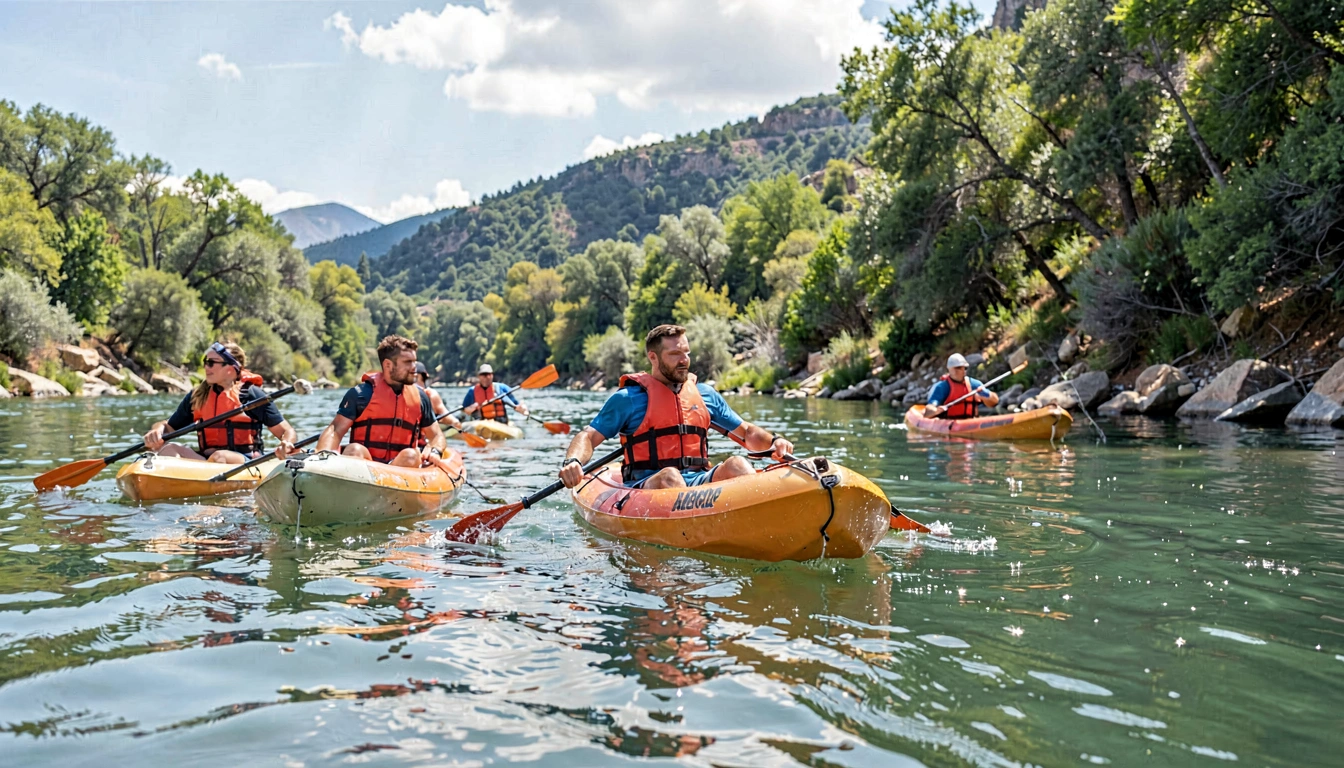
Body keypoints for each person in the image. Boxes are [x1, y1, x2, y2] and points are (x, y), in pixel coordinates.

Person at [558, 324, 795, 490]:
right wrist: (573, 462)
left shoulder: (704, 395)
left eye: (686, 353)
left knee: (738, 464)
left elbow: (746, 433)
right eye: (674, 354)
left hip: (699, 483)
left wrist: (774, 442)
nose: (684, 360)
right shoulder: (628, 399)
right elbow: (588, 437)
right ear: (653, 357)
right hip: (647, 484)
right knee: (670, 477)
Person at [143, 341, 298, 464]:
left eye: (212, 362)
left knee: (219, 456)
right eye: (205, 362)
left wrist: (286, 443)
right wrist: (157, 430)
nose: (206, 367)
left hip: (245, 462)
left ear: (230, 368)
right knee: (169, 449)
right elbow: (169, 428)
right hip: (206, 463)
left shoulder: (250, 395)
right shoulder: (198, 396)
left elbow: (287, 431)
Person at [316, 335, 448, 467]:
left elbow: (437, 436)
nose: (414, 367)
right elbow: (335, 430)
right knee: (354, 450)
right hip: (365, 467)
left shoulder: (421, 398)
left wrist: (435, 450)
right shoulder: (361, 394)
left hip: (401, 467)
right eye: (407, 362)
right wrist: (322, 455)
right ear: (388, 365)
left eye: (414, 361)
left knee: (411, 455)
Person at [924, 353, 999, 419]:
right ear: (949, 369)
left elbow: (994, 402)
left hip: (971, 421)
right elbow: (929, 408)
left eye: (962, 368)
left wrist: (986, 394)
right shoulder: (942, 387)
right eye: (956, 368)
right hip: (948, 422)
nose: (958, 371)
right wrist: (936, 410)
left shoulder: (974, 384)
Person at [461, 363, 528, 424]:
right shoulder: (472, 391)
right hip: (481, 423)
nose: (486, 377)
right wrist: (468, 409)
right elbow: (464, 410)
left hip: (501, 423)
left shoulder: (502, 388)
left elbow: (516, 404)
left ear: (492, 375)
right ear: (478, 376)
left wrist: (522, 408)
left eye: (488, 375)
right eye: (483, 375)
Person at [414, 362, 462, 432]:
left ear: (418, 376)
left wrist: (455, 423)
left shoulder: (431, 394)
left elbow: (444, 414)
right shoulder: (404, 393)